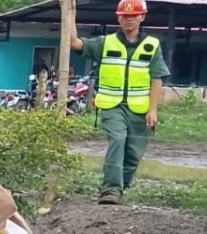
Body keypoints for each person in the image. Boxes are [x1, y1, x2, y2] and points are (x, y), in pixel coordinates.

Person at [63, 0, 169, 204]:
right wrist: (70, 11)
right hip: (112, 106)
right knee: (118, 140)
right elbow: (74, 42)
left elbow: (157, 79)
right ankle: (110, 190)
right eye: (124, 16)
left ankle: (120, 188)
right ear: (118, 18)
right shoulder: (105, 42)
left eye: (133, 15)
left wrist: (153, 110)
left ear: (142, 17)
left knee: (133, 153)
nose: (129, 19)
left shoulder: (152, 45)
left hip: (140, 109)